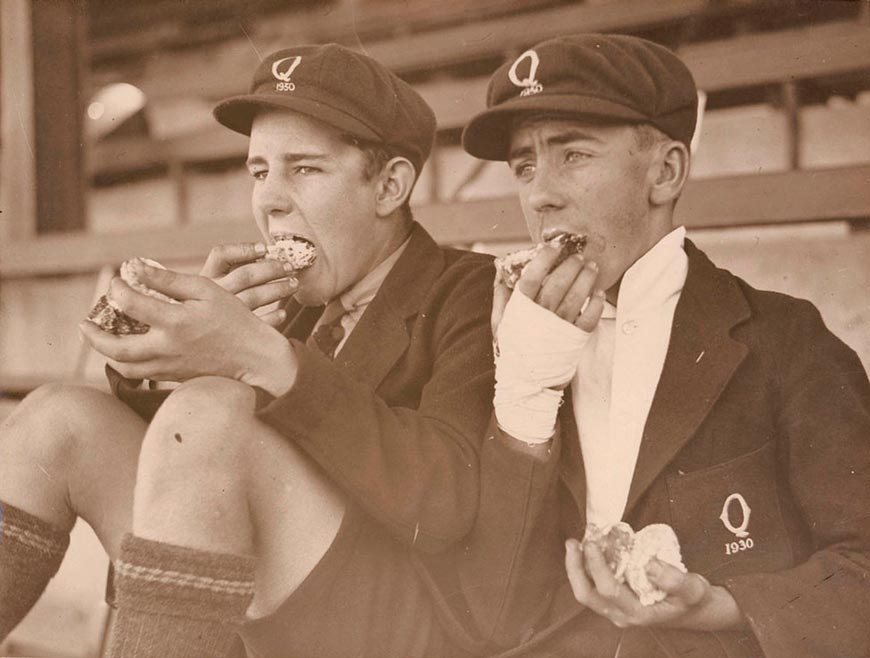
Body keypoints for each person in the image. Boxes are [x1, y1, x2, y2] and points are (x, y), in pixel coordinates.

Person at [0, 44, 497, 658]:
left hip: (395, 624)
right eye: (259, 172)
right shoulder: (295, 296)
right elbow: (191, 472)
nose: (270, 200)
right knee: (56, 419)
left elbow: (449, 503)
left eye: (305, 169)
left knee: (210, 414)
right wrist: (164, 360)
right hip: (264, 589)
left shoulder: (472, 289)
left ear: (390, 185)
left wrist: (260, 358)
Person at [456, 34, 870, 658]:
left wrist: (720, 606)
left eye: (573, 155)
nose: (540, 194)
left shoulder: (785, 340)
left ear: (665, 172)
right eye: (524, 166)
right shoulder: (513, 342)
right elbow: (493, 609)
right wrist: (524, 392)